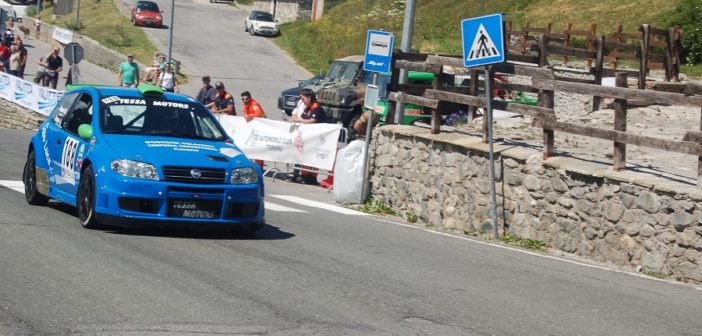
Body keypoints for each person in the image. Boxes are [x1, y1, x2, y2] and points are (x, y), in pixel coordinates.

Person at [289, 88, 326, 184]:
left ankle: (312, 176)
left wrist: (299, 120)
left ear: (309, 98)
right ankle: (304, 174)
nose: (301, 101)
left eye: (303, 99)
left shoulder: (316, 106)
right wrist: (297, 119)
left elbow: (311, 121)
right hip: (308, 137)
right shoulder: (307, 107)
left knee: (313, 156)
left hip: (319, 138)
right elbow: (300, 118)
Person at [241, 91, 267, 169]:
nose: (245, 100)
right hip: (252, 129)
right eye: (243, 99)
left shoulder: (254, 104)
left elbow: (259, 114)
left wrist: (249, 116)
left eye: (246, 99)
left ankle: (259, 167)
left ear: (250, 98)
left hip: (261, 129)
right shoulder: (245, 105)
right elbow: (245, 114)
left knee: (258, 148)